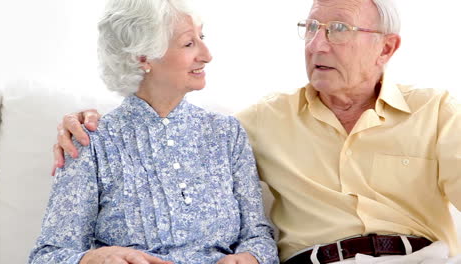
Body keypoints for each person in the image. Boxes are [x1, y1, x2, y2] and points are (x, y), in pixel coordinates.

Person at [53, 0, 461, 263]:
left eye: (339, 29)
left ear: (386, 48)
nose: (317, 44)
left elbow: (255, 238)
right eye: (311, 28)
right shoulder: (256, 124)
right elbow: (54, 250)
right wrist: (85, 124)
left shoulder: (437, 111)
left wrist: (250, 255)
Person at [29, 0, 279, 263]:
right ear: (142, 57)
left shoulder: (226, 133)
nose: (207, 54)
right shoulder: (90, 141)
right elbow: (47, 256)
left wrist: (249, 258)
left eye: (201, 37)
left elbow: (258, 235)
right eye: (188, 43)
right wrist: (95, 259)